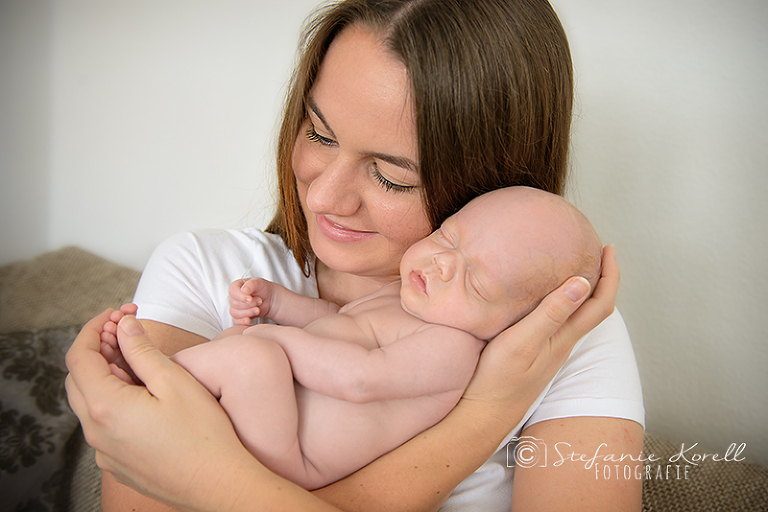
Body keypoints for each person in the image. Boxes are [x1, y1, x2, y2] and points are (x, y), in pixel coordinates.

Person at [65, 1, 645, 511]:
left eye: (392, 177)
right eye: (320, 134)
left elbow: (357, 378)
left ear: (491, 187)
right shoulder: (204, 268)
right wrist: (484, 414)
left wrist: (489, 405)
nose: (322, 196)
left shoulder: (558, 341)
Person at [100, 187, 603, 491]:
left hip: (293, 458)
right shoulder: (404, 300)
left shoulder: (453, 349)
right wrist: (277, 304)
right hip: (269, 423)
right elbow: (338, 322)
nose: (442, 263)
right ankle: (155, 382)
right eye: (448, 237)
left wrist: (278, 343)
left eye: (475, 281)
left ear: (513, 325)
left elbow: (362, 379)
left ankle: (149, 376)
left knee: (251, 357)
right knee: (243, 348)